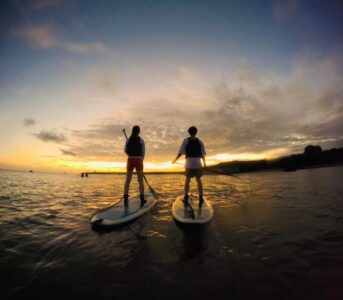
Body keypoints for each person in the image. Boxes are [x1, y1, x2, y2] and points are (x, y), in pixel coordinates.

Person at [172, 126, 206, 207]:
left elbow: (180, 152)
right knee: (198, 180)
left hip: (189, 163)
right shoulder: (200, 141)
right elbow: (203, 154)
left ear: (189, 132)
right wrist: (205, 164)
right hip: (198, 162)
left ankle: (186, 196)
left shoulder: (186, 140)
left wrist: (175, 160)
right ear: (196, 132)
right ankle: (201, 197)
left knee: (187, 180)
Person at [124, 125, 147, 207]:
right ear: (139, 131)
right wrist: (141, 161)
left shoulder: (128, 140)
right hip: (138, 160)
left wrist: (131, 155)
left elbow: (125, 151)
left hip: (130, 160)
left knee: (128, 180)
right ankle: (142, 199)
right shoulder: (141, 140)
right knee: (140, 181)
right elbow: (143, 152)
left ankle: (125, 198)